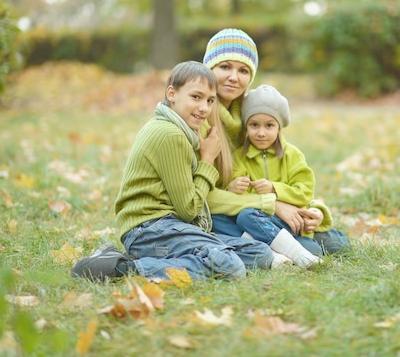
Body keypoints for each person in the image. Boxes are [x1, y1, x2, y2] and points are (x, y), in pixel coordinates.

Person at [71, 61, 273, 282]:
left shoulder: (181, 131)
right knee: (231, 266)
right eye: (196, 97)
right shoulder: (170, 134)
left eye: (210, 100)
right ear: (172, 93)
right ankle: (121, 268)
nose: (204, 108)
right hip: (149, 229)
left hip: (171, 228)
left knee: (259, 253)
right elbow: (188, 209)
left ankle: (154, 259)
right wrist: (207, 160)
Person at [201, 28, 350, 256]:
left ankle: (280, 243)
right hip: (233, 212)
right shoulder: (200, 117)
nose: (234, 77)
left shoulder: (251, 117)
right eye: (224, 67)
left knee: (334, 244)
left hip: (271, 214)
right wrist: (273, 204)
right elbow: (204, 197)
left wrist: (314, 210)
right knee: (235, 221)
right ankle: (272, 247)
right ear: (208, 69)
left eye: (243, 70)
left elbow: (296, 179)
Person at [214, 85, 330, 268]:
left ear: (279, 127)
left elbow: (305, 192)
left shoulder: (292, 155)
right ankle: (283, 252)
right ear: (246, 126)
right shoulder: (239, 157)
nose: (261, 132)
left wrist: (274, 189)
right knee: (232, 217)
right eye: (254, 125)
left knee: (318, 247)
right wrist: (232, 186)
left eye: (269, 125)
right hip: (252, 219)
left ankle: (283, 251)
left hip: (284, 223)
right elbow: (233, 196)